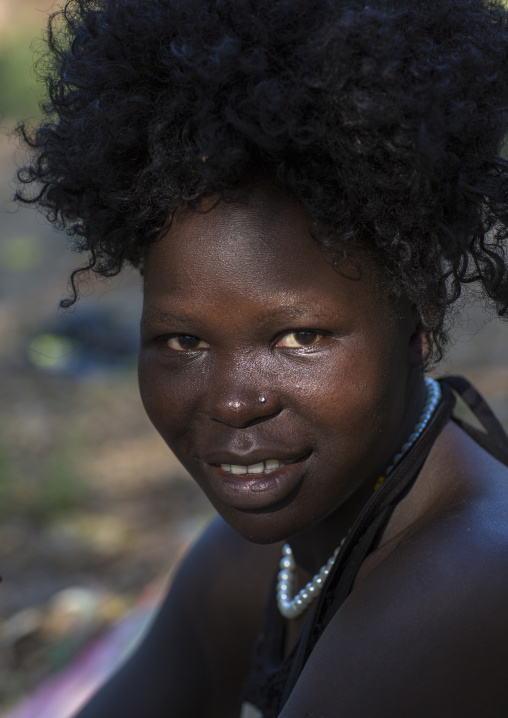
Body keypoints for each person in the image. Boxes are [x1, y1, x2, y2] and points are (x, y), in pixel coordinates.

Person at [15, 0, 508, 715]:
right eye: (185, 342)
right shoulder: (261, 557)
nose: (234, 401)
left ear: (418, 316)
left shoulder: (466, 589)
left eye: (299, 338)